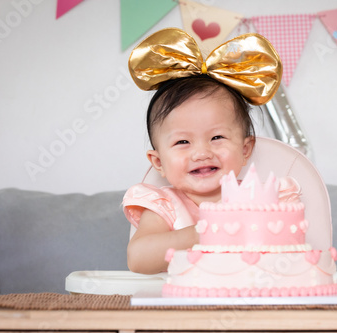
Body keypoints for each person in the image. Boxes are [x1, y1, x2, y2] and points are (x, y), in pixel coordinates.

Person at [123, 28, 292, 274]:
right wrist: (210, 229)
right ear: (158, 162)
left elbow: (292, 254)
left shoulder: (261, 199)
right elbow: (138, 259)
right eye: (183, 142)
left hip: (255, 301)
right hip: (184, 309)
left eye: (217, 137)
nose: (202, 152)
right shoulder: (166, 206)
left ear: (245, 149)